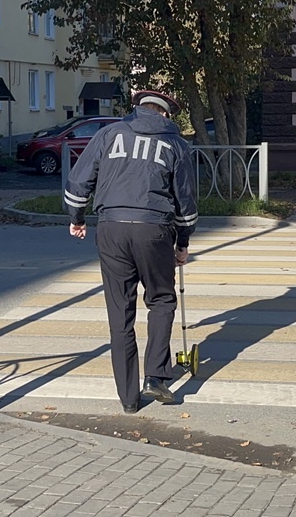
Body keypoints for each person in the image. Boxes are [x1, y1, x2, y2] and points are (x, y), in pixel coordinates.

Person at [64, 89, 198, 413]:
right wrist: (182, 243)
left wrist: (77, 218)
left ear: (137, 109)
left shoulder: (108, 134)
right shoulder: (177, 145)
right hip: (154, 229)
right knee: (162, 300)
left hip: (111, 228)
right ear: (166, 114)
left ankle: (128, 399)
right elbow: (186, 203)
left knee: (120, 313)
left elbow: (79, 181)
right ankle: (155, 376)